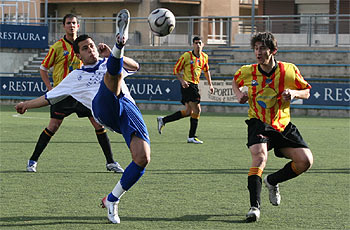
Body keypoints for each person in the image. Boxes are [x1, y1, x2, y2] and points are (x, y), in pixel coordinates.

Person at [15, 9, 150, 224]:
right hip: (103, 108)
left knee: (142, 158)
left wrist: (112, 56)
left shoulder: (107, 62)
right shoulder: (75, 76)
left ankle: (112, 199)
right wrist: (26, 105)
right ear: (78, 56)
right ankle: (120, 42)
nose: (91, 50)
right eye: (85, 49)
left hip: (128, 110)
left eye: (92, 46)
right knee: (110, 79)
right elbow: (48, 97)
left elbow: (136, 67)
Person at [232, 32, 314, 222]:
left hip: (282, 124)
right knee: (260, 157)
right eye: (256, 48)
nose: (258, 52)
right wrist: (238, 95)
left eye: (262, 48)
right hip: (258, 122)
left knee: (305, 161)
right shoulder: (248, 71)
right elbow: (235, 81)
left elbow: (307, 92)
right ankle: (254, 207)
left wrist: (293, 93)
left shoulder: (289, 70)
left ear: (273, 51)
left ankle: (272, 181)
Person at [27, 13, 123, 173]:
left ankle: (111, 162)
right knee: (53, 126)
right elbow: (43, 68)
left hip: (83, 93)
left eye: (74, 23)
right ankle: (33, 160)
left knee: (98, 124)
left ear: (78, 26)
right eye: (68, 23)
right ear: (64, 26)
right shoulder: (57, 47)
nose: (71, 25)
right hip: (64, 95)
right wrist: (51, 89)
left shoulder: (85, 44)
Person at [157, 36, 214, 144]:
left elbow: (206, 71)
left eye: (199, 43)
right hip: (188, 85)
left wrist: (210, 84)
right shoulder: (187, 56)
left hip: (195, 85)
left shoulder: (204, 57)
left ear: (203, 45)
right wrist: (182, 81)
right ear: (193, 44)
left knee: (189, 112)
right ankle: (191, 137)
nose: (198, 45)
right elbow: (176, 70)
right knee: (197, 110)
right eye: (196, 43)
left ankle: (163, 120)